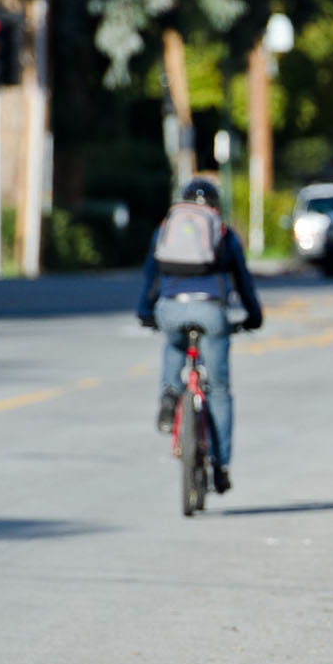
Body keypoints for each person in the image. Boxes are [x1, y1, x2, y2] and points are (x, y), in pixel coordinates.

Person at [137, 179, 264, 494]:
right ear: (216, 205)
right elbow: (243, 281)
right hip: (211, 311)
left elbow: (151, 275)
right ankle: (221, 466)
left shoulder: (166, 227)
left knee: (174, 342)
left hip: (171, 308)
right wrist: (254, 316)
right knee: (219, 391)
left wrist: (145, 311)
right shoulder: (223, 232)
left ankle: (169, 394)